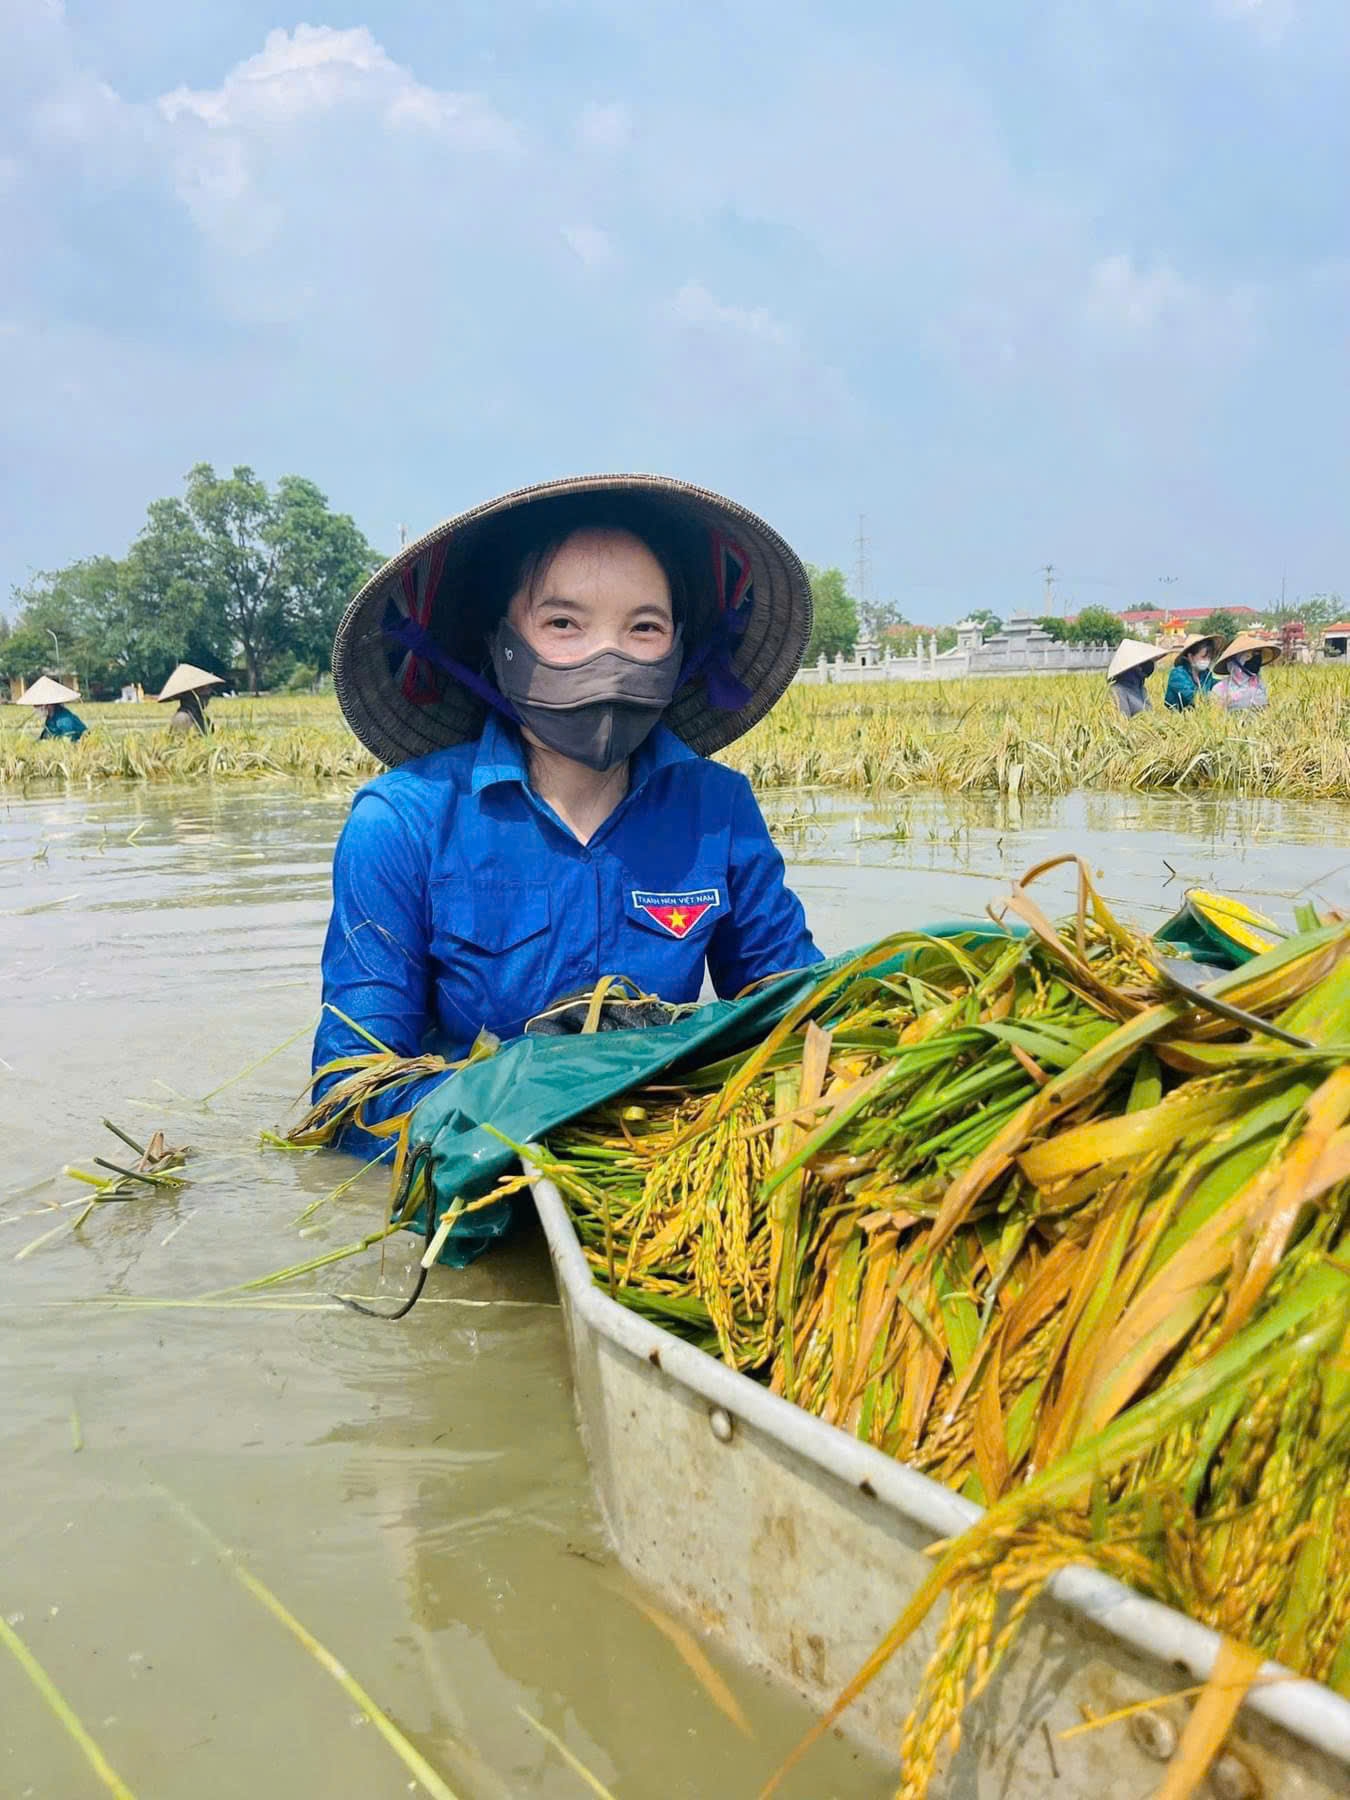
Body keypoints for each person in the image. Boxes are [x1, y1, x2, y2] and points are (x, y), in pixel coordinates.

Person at [313, 474, 822, 1162]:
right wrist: (525, 1086)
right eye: (563, 624)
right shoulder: (401, 825)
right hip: (480, 1171)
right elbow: (349, 1098)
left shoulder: (717, 811)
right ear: (501, 645)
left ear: (676, 650)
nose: (608, 659)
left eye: (644, 628)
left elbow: (801, 1023)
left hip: (660, 1161)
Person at [1210, 633, 1280, 711]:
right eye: (1248, 656)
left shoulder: (1261, 685)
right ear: (1235, 661)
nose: (1255, 659)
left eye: (1257, 655)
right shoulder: (1220, 689)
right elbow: (1216, 716)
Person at [156, 663, 224, 732]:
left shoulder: (202, 718)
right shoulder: (182, 718)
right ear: (191, 694)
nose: (209, 693)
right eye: (204, 695)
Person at [14, 676, 87, 740]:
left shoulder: (63, 719)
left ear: (47, 705)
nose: (35, 709)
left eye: (37, 706)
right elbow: (45, 736)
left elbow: (68, 740)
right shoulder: (50, 719)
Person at [1106, 639, 1164, 717]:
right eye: (1143, 662)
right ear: (1131, 667)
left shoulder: (1141, 688)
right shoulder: (1118, 691)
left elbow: (1150, 714)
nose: (1148, 665)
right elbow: (1123, 721)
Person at [1164, 634, 1217, 711]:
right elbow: (1193, 697)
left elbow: (1218, 686)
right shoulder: (1178, 674)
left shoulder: (1206, 674)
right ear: (1190, 657)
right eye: (1203, 657)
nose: (1207, 660)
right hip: (1178, 719)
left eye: (1209, 657)